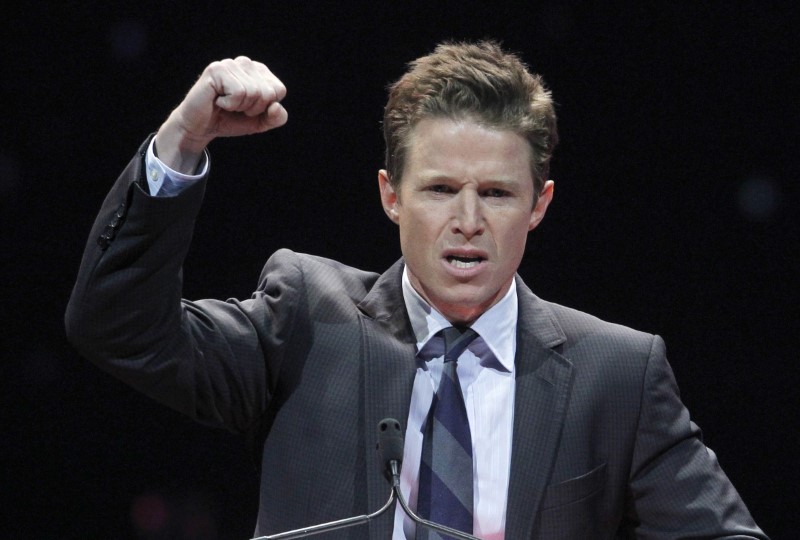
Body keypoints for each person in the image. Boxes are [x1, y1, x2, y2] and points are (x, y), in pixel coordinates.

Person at [65, 41, 767, 539]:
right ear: (391, 196)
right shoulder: (307, 319)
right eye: (439, 190)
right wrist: (184, 140)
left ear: (540, 204)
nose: (467, 222)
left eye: (495, 193)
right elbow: (118, 328)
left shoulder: (616, 373)